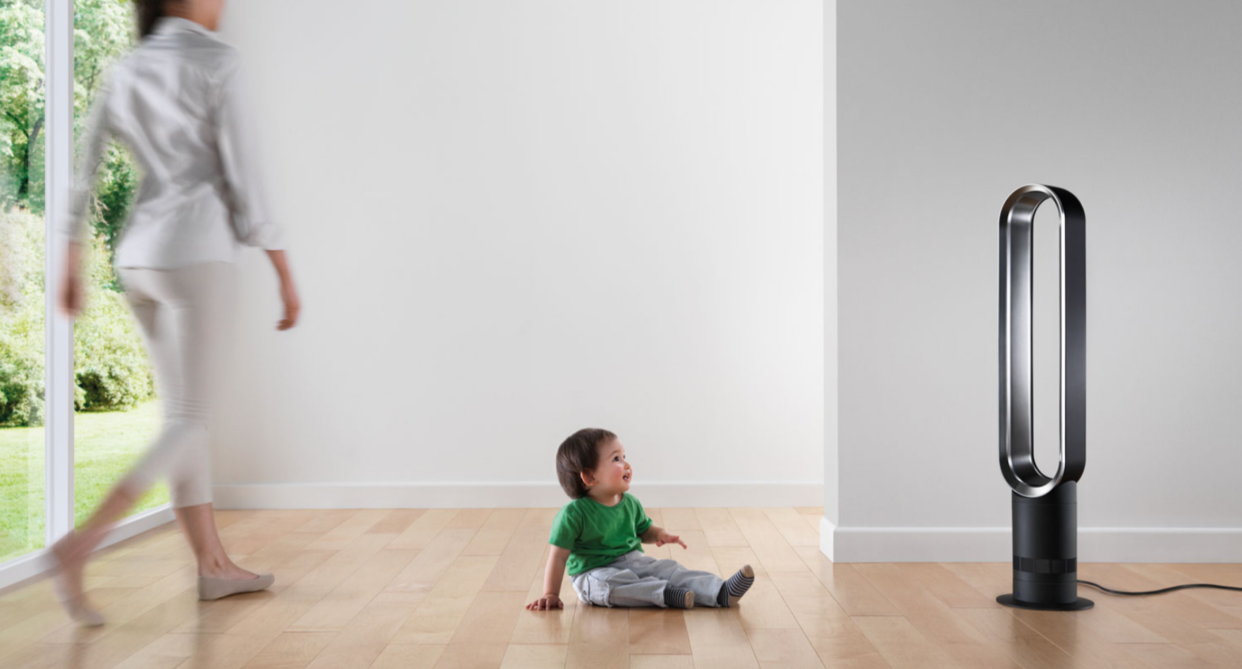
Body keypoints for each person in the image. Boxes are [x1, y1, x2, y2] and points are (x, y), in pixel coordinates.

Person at [51, 0, 300, 626]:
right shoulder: (218, 61)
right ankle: (81, 544)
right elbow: (249, 177)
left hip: (138, 257)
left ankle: (213, 567)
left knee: (184, 422)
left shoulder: (127, 66)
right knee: (189, 422)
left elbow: (84, 172)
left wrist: (71, 259)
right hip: (198, 254)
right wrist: (283, 269)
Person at [526, 428, 755, 611]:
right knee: (609, 586)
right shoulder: (573, 514)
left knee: (669, 568)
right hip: (592, 573)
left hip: (632, 560)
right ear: (589, 476)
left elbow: (643, 529)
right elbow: (557, 558)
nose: (626, 464)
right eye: (616, 458)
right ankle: (665, 594)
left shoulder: (630, 502)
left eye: (624, 456)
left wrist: (658, 533)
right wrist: (550, 594)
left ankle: (720, 591)